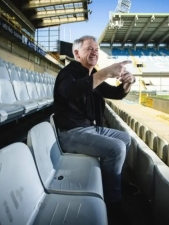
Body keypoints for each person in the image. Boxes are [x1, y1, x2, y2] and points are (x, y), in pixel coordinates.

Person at [53, 35, 135, 216]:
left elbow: (116, 93)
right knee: (116, 148)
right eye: (90, 49)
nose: (95, 52)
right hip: (70, 132)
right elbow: (71, 91)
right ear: (76, 53)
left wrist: (128, 82)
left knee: (125, 138)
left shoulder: (92, 74)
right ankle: (113, 201)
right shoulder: (68, 73)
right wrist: (105, 72)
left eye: (97, 49)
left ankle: (112, 179)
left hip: (90, 128)